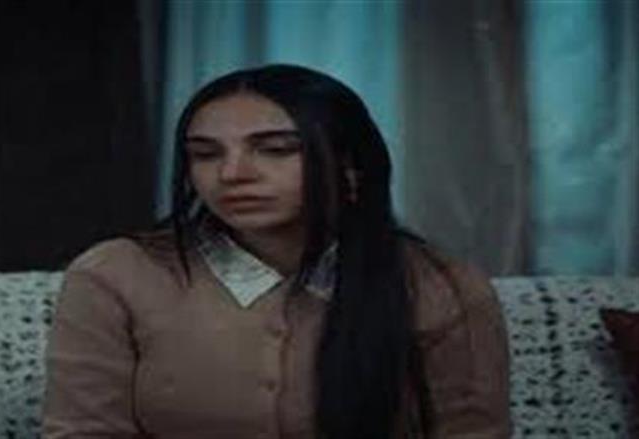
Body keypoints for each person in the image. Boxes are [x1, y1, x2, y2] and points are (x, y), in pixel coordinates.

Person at [41, 64, 512, 439]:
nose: (233, 174)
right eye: (205, 154)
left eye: (275, 150)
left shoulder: (438, 285)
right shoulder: (116, 274)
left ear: (351, 166)